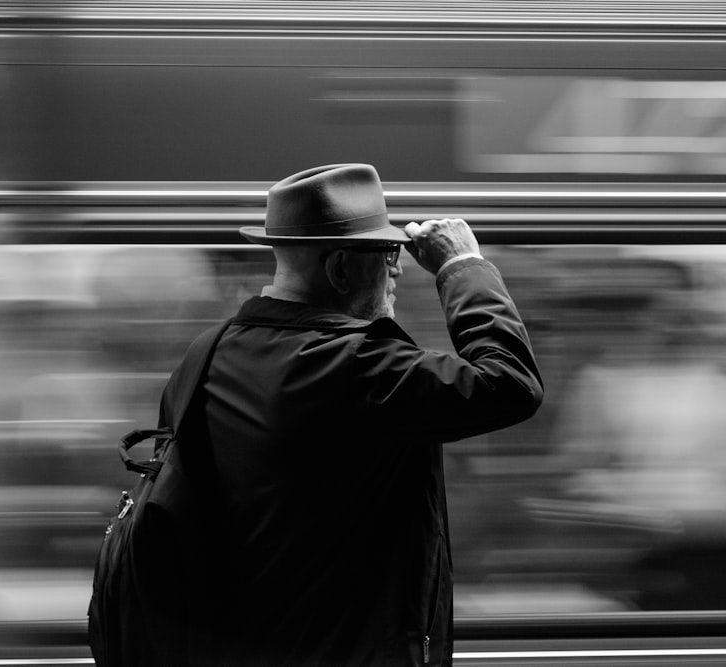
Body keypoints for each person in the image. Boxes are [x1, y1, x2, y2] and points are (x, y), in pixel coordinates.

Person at [158, 163, 543, 665]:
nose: (399, 268)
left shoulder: (206, 356)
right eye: (387, 254)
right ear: (340, 268)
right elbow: (510, 384)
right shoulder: (355, 366)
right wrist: (462, 267)